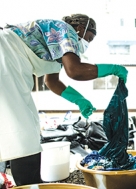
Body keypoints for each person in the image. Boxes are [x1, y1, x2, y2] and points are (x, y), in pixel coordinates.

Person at [0, 14, 127, 186]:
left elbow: (51, 81)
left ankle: (28, 181)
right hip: (5, 57)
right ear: (80, 28)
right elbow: (75, 70)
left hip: (10, 63)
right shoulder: (63, 30)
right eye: (89, 38)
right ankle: (29, 183)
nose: (86, 44)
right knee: (22, 128)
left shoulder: (56, 48)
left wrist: (79, 100)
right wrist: (113, 69)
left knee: (21, 125)